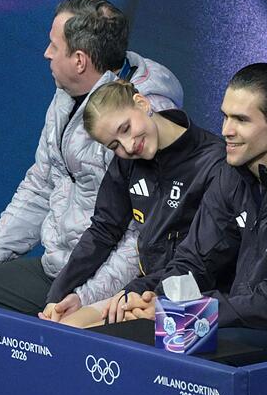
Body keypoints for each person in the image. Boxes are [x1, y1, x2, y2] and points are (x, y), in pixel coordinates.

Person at [0, 0, 183, 315]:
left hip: (116, 288)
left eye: (54, 45)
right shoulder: (66, 94)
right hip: (60, 269)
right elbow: (42, 182)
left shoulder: (143, 119)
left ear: (80, 60)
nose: (46, 53)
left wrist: (82, 299)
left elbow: (142, 237)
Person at [102, 63, 267, 365]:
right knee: (133, 332)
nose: (226, 130)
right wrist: (151, 294)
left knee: (177, 341)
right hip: (239, 318)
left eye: (241, 120)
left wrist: (191, 310)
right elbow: (194, 259)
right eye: (225, 116)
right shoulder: (231, 174)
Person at [37, 79, 225, 324]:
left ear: (142, 103)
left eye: (125, 128)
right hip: (146, 290)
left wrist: (134, 293)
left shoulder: (214, 162)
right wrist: (58, 295)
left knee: (78, 329)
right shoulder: (127, 162)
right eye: (114, 145)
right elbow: (103, 230)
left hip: (193, 297)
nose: (128, 146)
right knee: (63, 322)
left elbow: (201, 261)